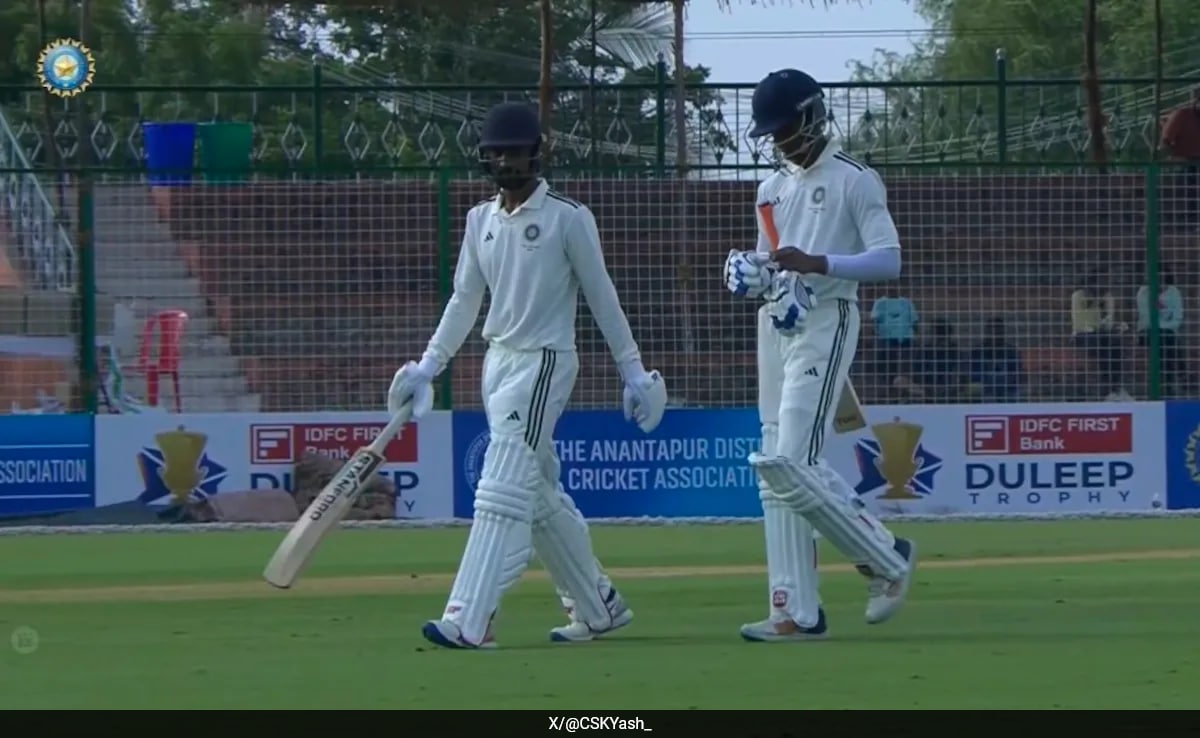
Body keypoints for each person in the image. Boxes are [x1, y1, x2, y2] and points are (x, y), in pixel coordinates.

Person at [387, 102, 668, 650]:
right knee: (536, 495)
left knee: (500, 486)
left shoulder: (568, 217)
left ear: (538, 153)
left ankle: (470, 618)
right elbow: (464, 301)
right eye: (495, 153)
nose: (504, 162)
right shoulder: (480, 220)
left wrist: (634, 371)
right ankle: (598, 605)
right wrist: (428, 366)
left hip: (545, 363)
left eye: (514, 152)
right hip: (498, 363)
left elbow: (602, 296)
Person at [723, 69, 917, 642]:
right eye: (772, 134)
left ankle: (887, 558)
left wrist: (820, 263)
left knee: (791, 461)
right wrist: (752, 274)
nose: (780, 142)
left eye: (786, 129)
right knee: (774, 468)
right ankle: (793, 610)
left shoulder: (855, 179)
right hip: (776, 325)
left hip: (828, 319)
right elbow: (771, 259)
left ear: (812, 115)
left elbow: (889, 260)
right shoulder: (770, 190)